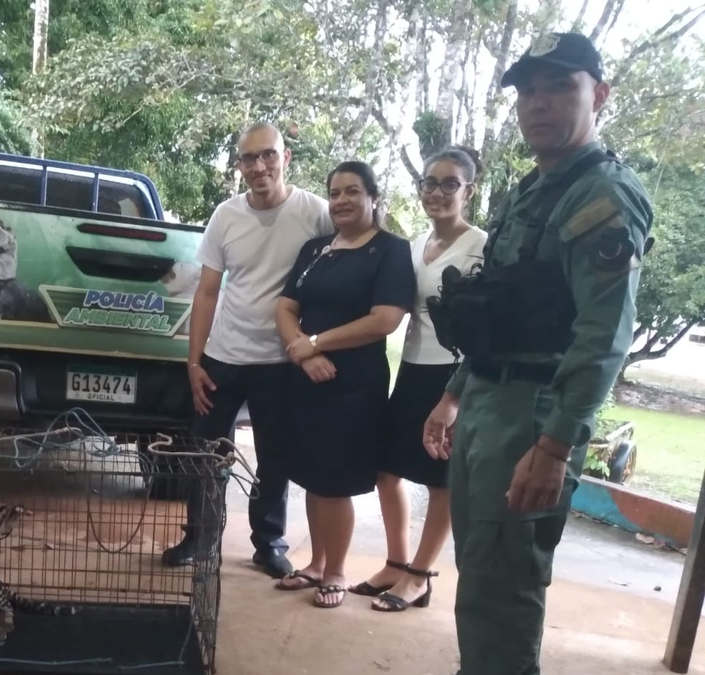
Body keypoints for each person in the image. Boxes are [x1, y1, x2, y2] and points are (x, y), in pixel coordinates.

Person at [422, 32, 653, 673]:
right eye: (527, 90)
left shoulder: (602, 197)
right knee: (482, 572)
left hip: (534, 414)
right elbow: (502, 307)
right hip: (489, 400)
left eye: (558, 86)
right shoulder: (536, 188)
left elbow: (604, 335)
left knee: (504, 587)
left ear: (598, 95)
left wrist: (554, 447)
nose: (538, 102)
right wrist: (455, 394)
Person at [161, 121, 334, 579]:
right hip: (223, 357)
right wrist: (194, 362)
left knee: (275, 457)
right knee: (205, 452)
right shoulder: (226, 216)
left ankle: (269, 542)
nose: (259, 166)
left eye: (268, 155)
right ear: (239, 165)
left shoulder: (316, 213)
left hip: (280, 360)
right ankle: (199, 537)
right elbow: (206, 293)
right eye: (249, 158)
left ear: (285, 157)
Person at [350, 147, 490, 612]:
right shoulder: (414, 245)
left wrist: (455, 398)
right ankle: (397, 562)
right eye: (430, 182)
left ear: (469, 191)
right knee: (386, 471)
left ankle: (421, 575)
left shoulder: (482, 246)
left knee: (440, 479)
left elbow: (486, 329)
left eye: (450, 184)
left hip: (453, 376)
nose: (437, 192)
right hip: (411, 368)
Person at [272, 161, 415, 608]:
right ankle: (316, 564)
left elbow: (385, 319)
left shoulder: (391, 250)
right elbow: (285, 307)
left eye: (352, 191)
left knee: (335, 480)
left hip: (353, 384)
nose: (341, 201)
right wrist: (303, 351)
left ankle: (335, 571)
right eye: (334, 193)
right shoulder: (315, 249)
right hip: (307, 377)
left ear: (373, 197)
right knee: (312, 475)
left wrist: (316, 343)